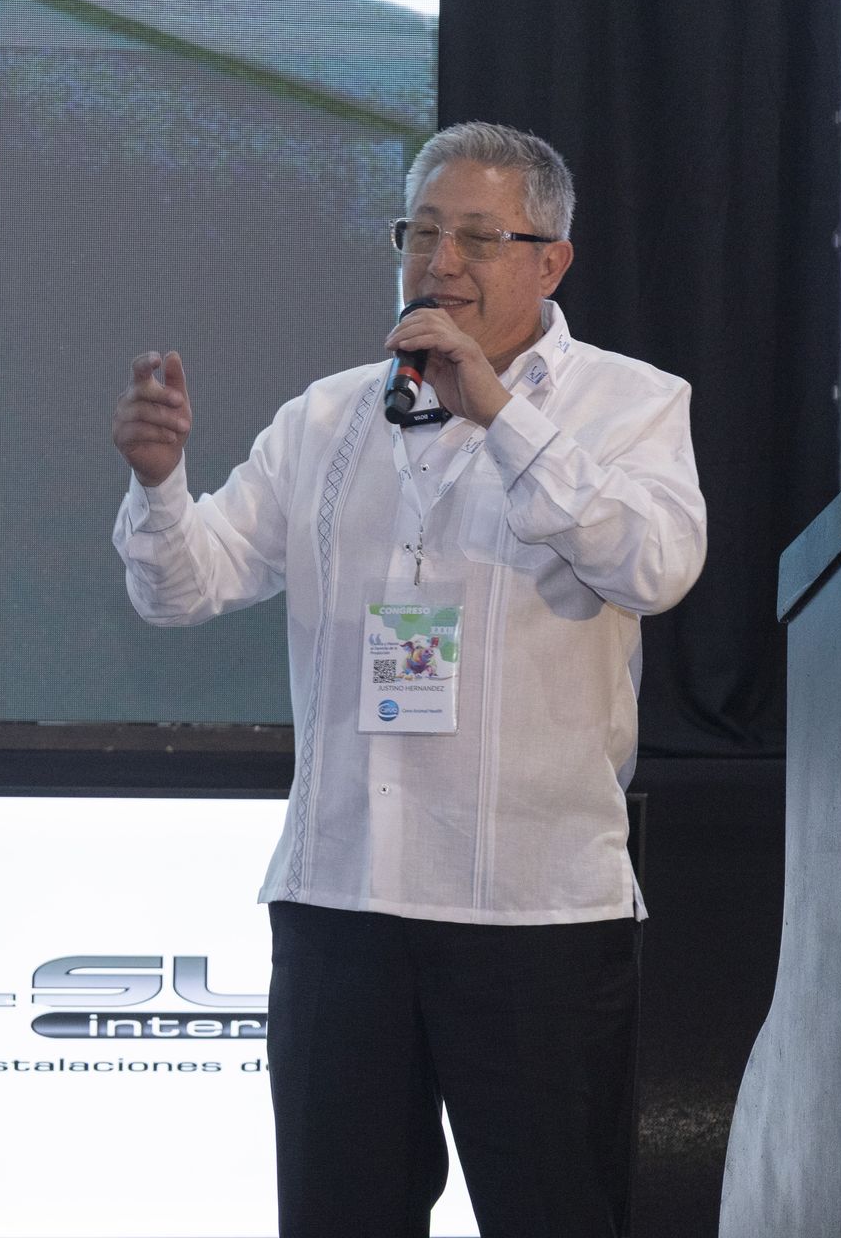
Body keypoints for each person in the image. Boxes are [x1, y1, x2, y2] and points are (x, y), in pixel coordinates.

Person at [110, 121, 706, 1238]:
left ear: (551, 261)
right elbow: (187, 586)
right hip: (343, 902)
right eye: (422, 233)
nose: (441, 262)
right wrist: (159, 486)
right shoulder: (326, 415)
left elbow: (659, 565)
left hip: (534, 910)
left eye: (478, 237)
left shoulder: (631, 404)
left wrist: (502, 415)